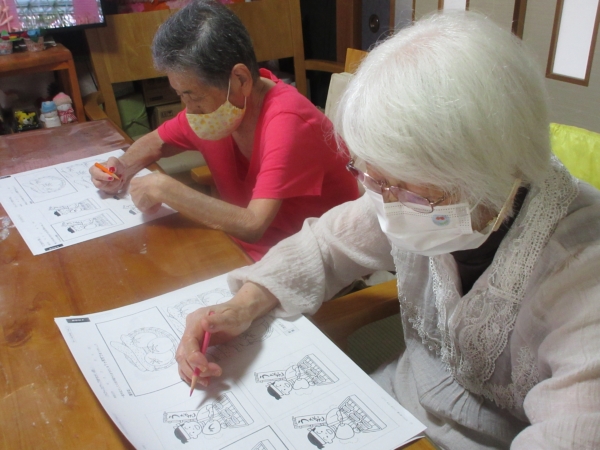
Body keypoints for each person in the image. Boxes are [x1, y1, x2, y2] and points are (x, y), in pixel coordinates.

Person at [175, 11, 600, 449]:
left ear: (496, 176)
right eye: (374, 179)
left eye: (413, 192)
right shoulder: (409, 196)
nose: (388, 204)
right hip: (391, 409)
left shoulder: (582, 277)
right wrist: (241, 307)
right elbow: (325, 246)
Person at [89, 0, 358, 261]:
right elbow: (157, 142)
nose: (189, 110)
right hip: (244, 249)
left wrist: (166, 189)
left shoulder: (288, 122)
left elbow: (253, 224)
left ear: (240, 79)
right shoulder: (222, 109)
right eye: (181, 95)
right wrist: (121, 167)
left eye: (194, 96)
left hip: (309, 259)